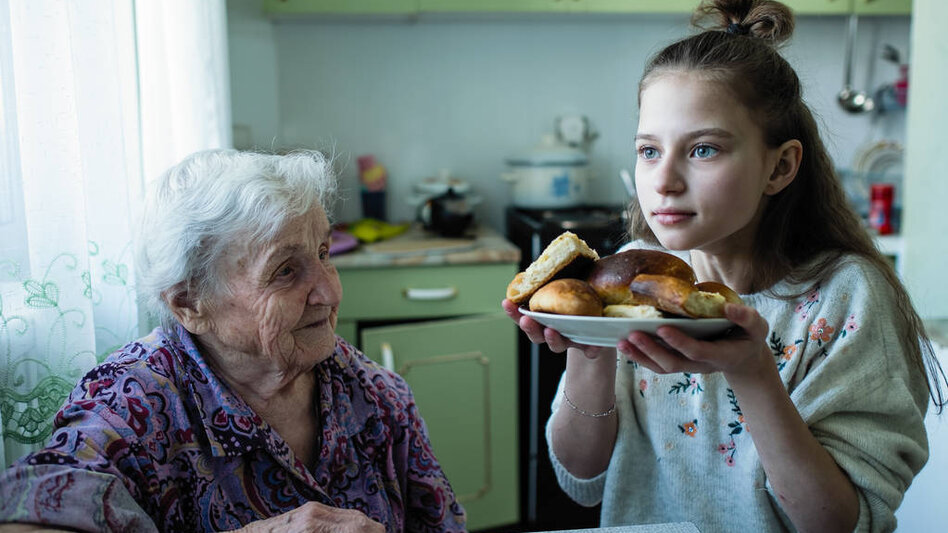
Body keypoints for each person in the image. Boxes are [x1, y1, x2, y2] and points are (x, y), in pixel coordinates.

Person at [502, 1, 946, 531]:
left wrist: (753, 373)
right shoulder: (624, 289)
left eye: (704, 149)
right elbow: (581, 477)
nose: (663, 180)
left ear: (779, 167)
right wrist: (589, 349)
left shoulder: (846, 299)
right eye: (648, 151)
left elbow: (839, 523)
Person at [0, 149, 467, 533]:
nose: (329, 291)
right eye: (285, 271)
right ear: (189, 304)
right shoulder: (129, 406)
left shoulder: (376, 394)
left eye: (324, 253)